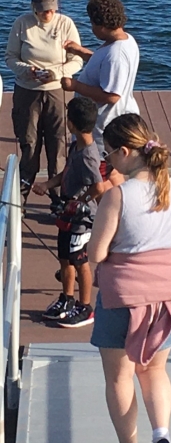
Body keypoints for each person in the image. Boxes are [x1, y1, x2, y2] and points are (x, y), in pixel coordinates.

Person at [88, 114, 171, 443]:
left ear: (124, 151)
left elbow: (96, 254)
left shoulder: (118, 196)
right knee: (155, 369)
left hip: (124, 295)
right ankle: (162, 438)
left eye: (109, 155)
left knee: (119, 375)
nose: (107, 161)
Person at [5, 0, 83, 207]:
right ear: (33, 7)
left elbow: (76, 59)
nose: (48, 13)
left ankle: (59, 202)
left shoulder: (66, 24)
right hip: (27, 92)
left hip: (57, 92)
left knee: (58, 146)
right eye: (42, 9)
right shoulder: (21, 24)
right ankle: (19, 201)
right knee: (29, 146)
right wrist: (26, 70)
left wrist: (56, 73)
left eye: (51, 8)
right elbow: (10, 57)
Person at [33, 97, 103, 327]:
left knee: (79, 260)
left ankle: (85, 307)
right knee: (65, 259)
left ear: (72, 123)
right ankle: (67, 299)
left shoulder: (89, 156)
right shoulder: (77, 146)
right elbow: (65, 174)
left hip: (80, 219)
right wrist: (46, 185)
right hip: (68, 214)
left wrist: (80, 202)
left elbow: (98, 186)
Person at [60, 0, 139, 159]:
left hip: (103, 128)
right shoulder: (126, 40)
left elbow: (112, 96)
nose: (92, 28)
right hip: (105, 123)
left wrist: (75, 86)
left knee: (96, 172)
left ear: (102, 25)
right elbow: (103, 66)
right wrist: (81, 52)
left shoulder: (117, 54)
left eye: (92, 23)